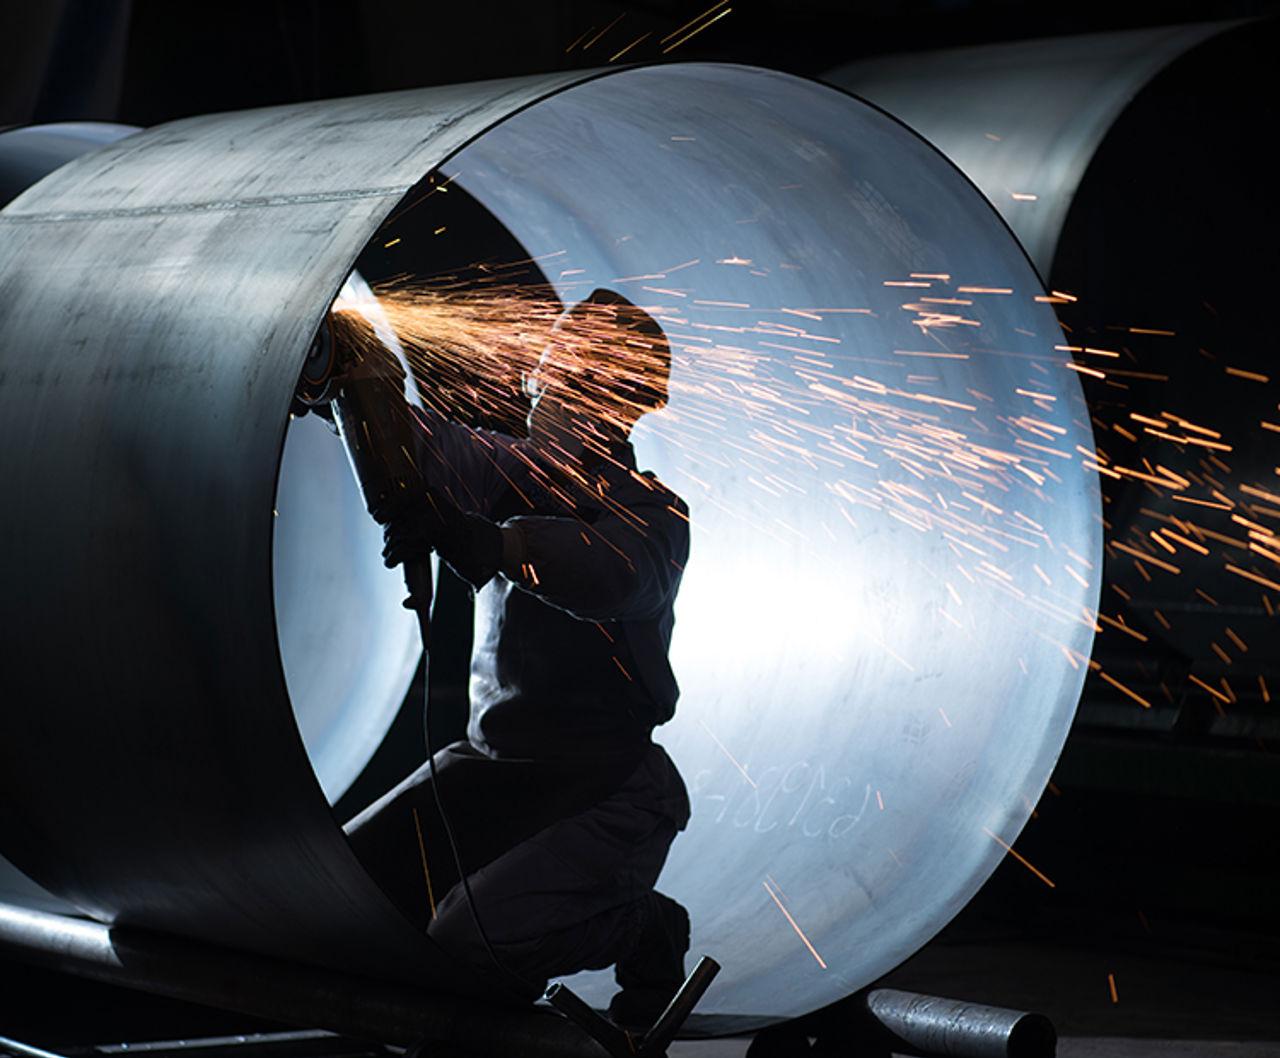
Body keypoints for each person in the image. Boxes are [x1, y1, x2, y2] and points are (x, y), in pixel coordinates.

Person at [342, 288, 692, 1029]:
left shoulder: (654, 516)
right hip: (492, 768)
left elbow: (610, 574)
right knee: (346, 899)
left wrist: (502, 544)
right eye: (555, 363)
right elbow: (428, 451)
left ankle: (639, 926)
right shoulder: (510, 470)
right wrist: (350, 378)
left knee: (469, 946)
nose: (550, 380)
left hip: (606, 788)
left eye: (578, 370)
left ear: (626, 398)